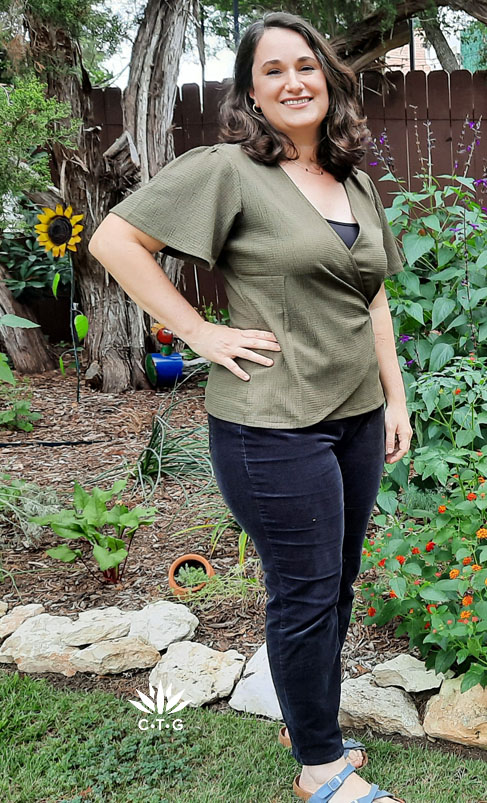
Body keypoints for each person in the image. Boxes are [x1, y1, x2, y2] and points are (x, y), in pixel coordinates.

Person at [89, 12, 410, 803]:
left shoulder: (354, 180)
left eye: (308, 65)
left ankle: (310, 723)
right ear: (253, 93)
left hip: (356, 414)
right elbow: (115, 240)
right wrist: (197, 330)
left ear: (331, 80)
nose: (295, 81)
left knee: (334, 584)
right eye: (274, 71)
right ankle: (320, 770)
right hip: (271, 422)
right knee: (304, 590)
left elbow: (372, 301)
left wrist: (395, 396)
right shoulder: (227, 170)